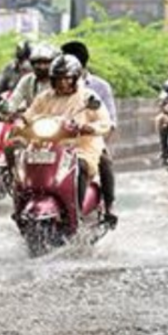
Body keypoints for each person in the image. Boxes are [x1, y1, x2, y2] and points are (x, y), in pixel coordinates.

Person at [21, 55, 115, 224]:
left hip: (81, 146)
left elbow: (105, 122)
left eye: (67, 78)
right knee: (23, 162)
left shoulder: (88, 97)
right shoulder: (44, 97)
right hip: (47, 145)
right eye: (58, 79)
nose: (63, 83)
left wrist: (89, 128)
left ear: (75, 78)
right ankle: (20, 205)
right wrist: (22, 122)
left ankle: (76, 211)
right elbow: (29, 115)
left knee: (80, 165)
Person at [60, 41, 118, 225]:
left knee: (105, 161)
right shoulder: (54, 86)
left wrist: (97, 140)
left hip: (89, 140)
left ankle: (109, 208)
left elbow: (109, 122)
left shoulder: (100, 86)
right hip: (57, 140)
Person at [2, 44, 60, 115]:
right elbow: (15, 99)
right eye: (38, 62)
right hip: (30, 120)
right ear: (32, 64)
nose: (41, 67)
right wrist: (8, 109)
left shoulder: (60, 81)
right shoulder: (26, 80)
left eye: (46, 62)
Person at [0, 41, 33, 107]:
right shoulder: (9, 69)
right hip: (12, 107)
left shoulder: (40, 72)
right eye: (21, 60)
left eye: (28, 60)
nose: (24, 64)